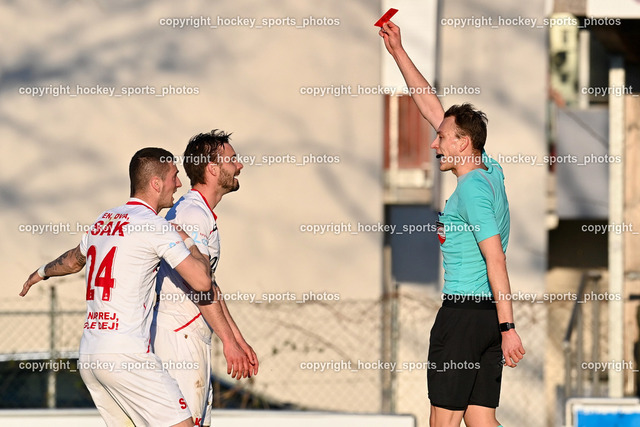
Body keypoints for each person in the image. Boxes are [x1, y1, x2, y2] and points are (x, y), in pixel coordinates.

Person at [20, 147, 250, 427]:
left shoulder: (103, 221)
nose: (179, 184)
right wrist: (188, 240)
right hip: (127, 356)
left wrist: (41, 272)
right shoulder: (156, 226)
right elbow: (202, 282)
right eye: (174, 177)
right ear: (156, 183)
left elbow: (72, 261)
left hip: (91, 355)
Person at [380, 21, 525, 427]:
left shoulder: (472, 191)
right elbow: (432, 108)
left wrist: (510, 327)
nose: (433, 143)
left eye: (441, 138)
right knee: (482, 423)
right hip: (485, 323)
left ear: (463, 143)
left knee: (441, 424)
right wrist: (398, 53)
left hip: (463, 319)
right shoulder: (488, 169)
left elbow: (495, 260)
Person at [152, 130, 259, 427]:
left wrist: (237, 338)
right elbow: (197, 286)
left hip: (188, 335)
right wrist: (228, 341)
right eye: (233, 160)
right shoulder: (192, 214)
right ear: (213, 169)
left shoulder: (198, 212)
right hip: (179, 338)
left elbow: (209, 284)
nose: (239, 166)